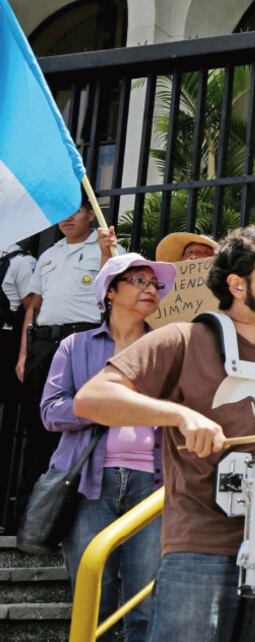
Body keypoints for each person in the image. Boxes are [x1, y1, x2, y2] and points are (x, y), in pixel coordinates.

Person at [73, 224, 255, 642]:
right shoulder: (184, 339)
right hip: (201, 545)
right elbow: (91, 398)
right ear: (237, 284)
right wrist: (179, 416)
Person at [42, 253, 176, 641]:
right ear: (110, 293)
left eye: (154, 284)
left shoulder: (167, 348)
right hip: (88, 483)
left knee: (144, 604)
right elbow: (51, 412)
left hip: (153, 486)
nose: (150, 289)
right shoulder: (75, 346)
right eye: (138, 281)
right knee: (92, 598)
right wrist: (102, 407)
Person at [15, 197, 116, 515]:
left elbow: (111, 289)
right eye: (61, 213)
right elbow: (34, 307)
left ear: (90, 214)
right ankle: (34, 515)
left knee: (80, 423)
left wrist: (104, 251)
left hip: (83, 341)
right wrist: (23, 354)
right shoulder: (48, 255)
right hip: (43, 346)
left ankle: (74, 512)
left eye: (74, 212)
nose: (66, 219)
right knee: (38, 423)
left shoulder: (108, 249)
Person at [0, 241, 36, 531]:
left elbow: (32, 310)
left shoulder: (21, 262)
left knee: (6, 432)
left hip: (6, 351)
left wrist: (23, 355)